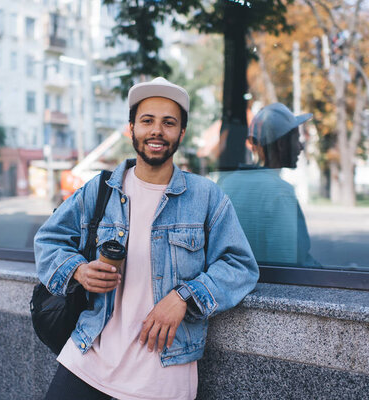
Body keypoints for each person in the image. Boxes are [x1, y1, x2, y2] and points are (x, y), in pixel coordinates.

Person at [34, 77, 259, 400]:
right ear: (131, 129)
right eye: (147, 121)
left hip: (163, 375)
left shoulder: (207, 198)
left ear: (181, 133)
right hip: (88, 359)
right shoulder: (99, 191)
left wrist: (184, 297)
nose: (157, 131)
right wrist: (78, 271)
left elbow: (240, 266)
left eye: (169, 123)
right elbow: (48, 241)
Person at [218, 102, 320, 267]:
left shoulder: (226, 183)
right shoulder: (280, 192)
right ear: (280, 144)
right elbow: (289, 265)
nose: (300, 146)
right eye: (295, 138)